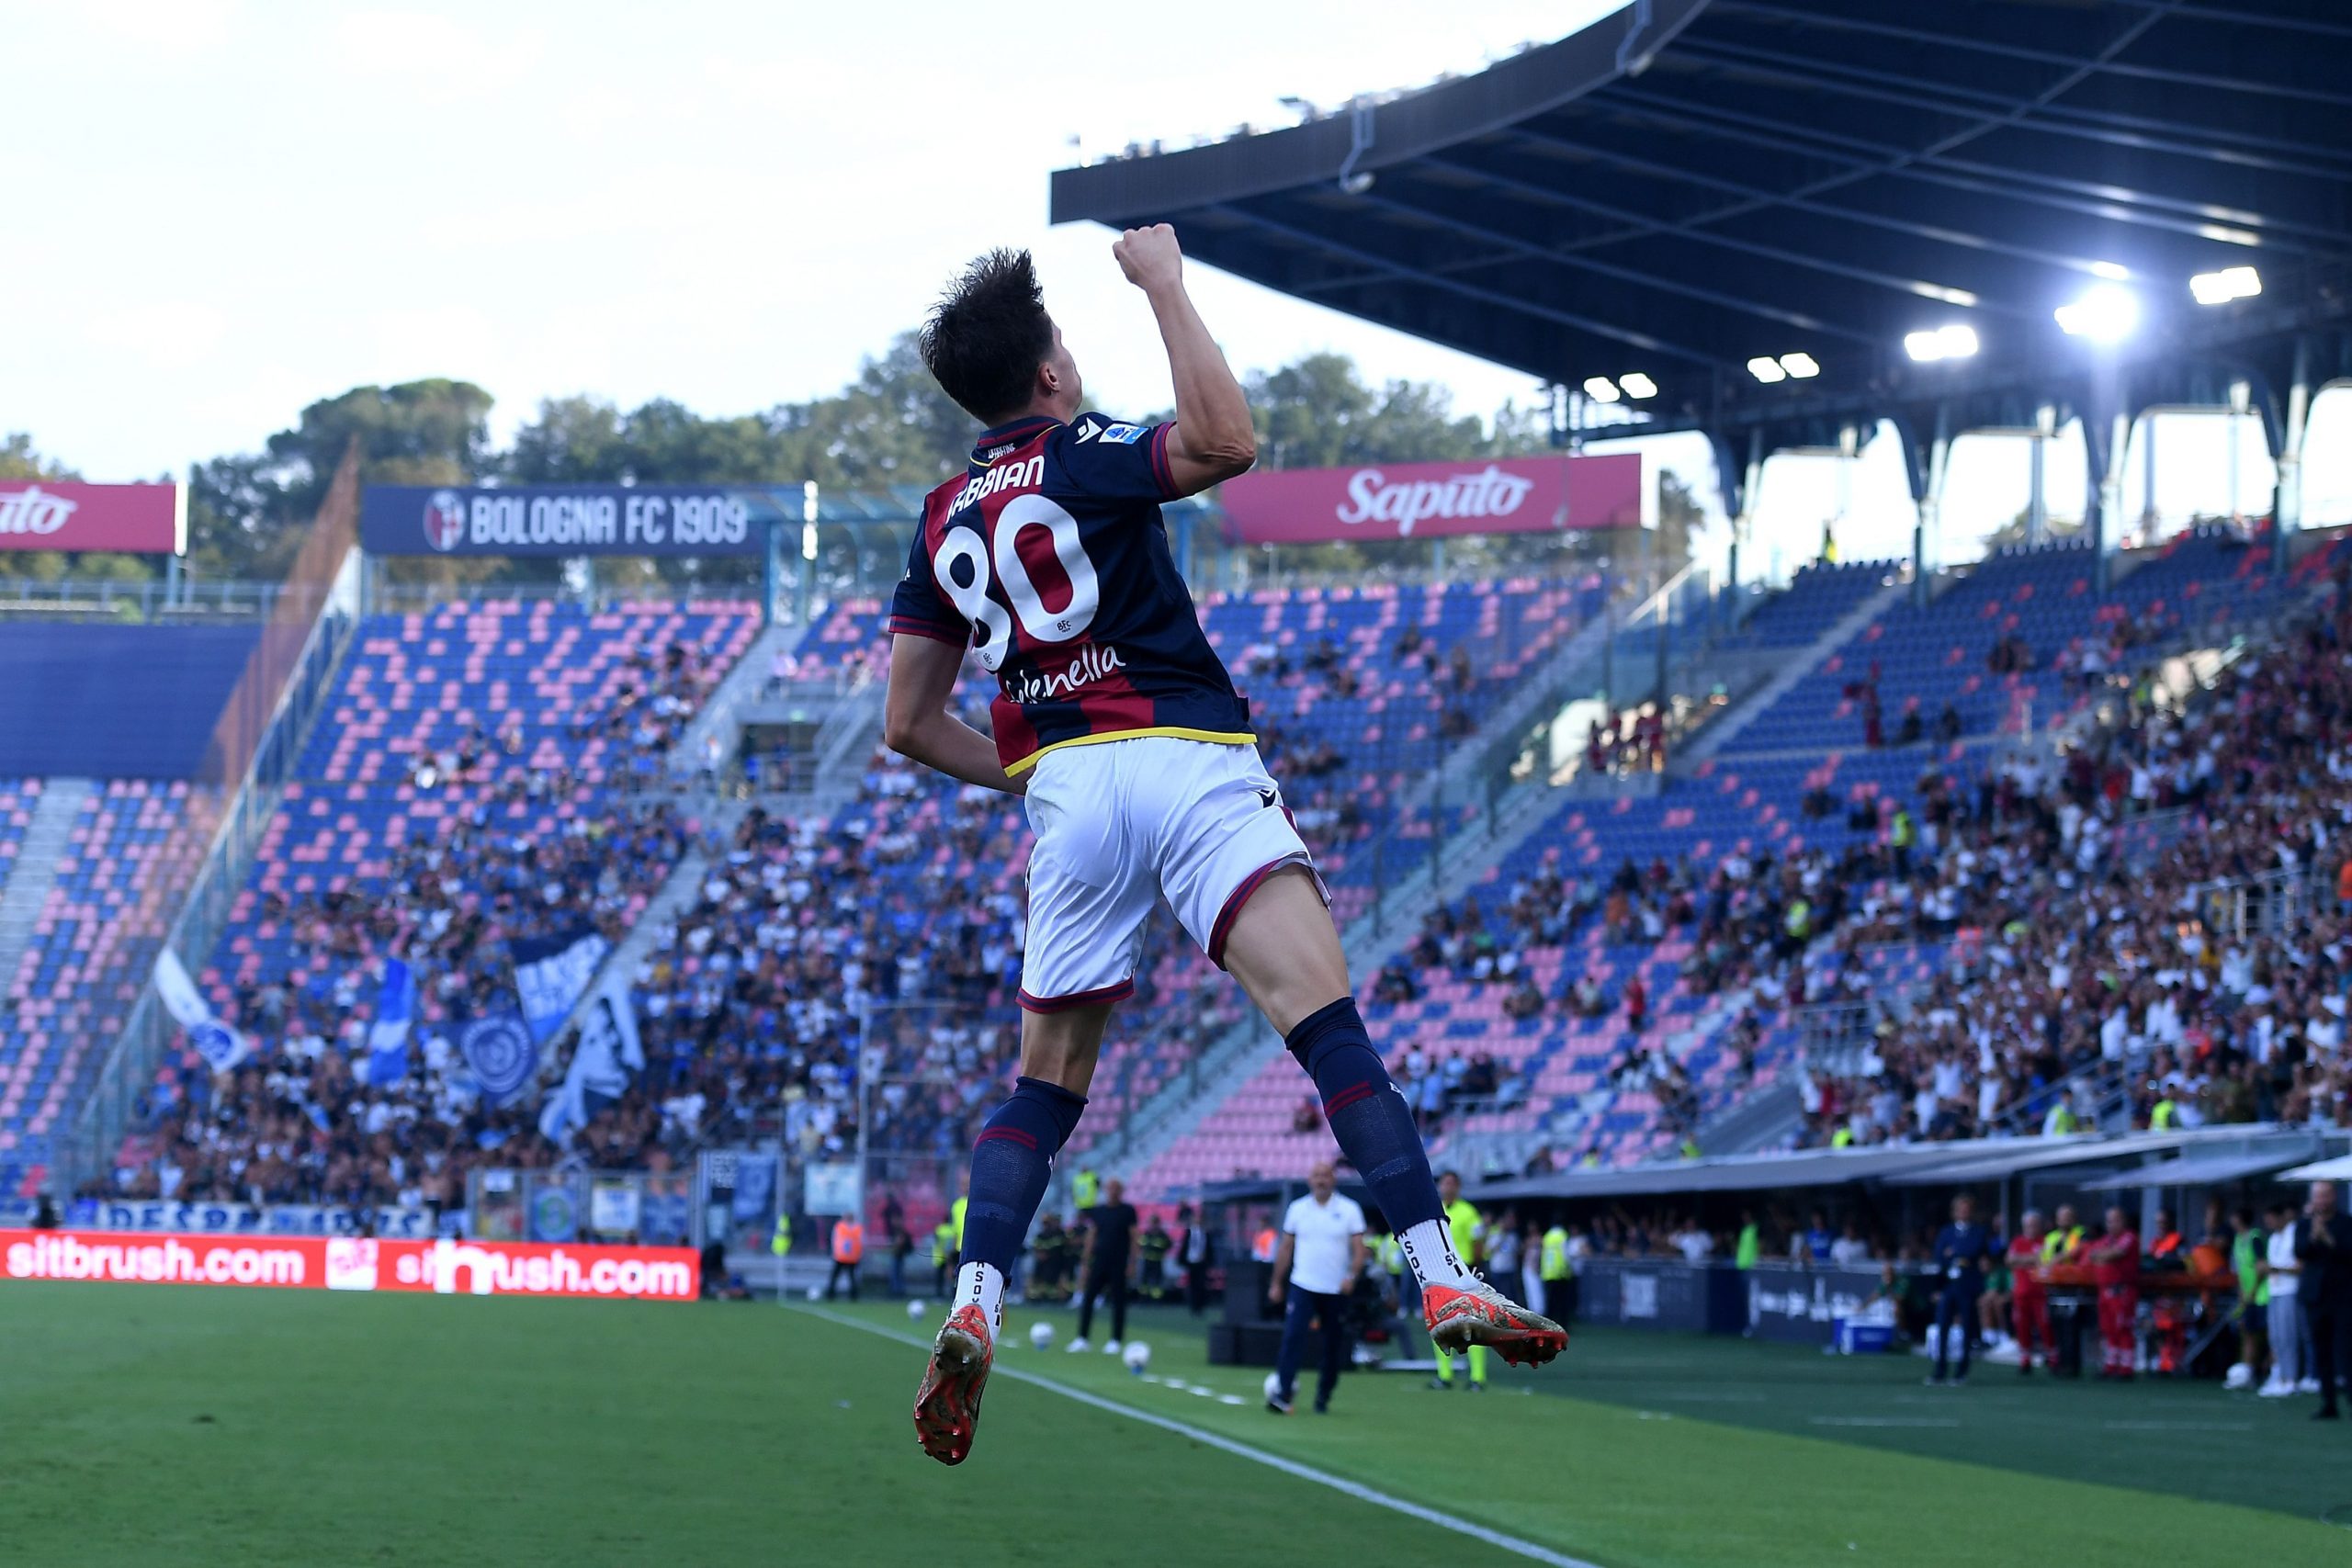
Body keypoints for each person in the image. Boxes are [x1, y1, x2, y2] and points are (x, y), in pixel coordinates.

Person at [898, 230, 1561, 1464]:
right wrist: (1166, 285)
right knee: (1326, 1023)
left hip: (1069, 796)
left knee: (1044, 1088)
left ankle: (977, 1299)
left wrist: (1046, 758)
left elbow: (908, 720)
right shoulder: (1085, 448)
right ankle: (1438, 1271)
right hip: (1188, 757)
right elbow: (1223, 444)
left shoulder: (941, 519)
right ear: (1048, 371)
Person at [1266, 1161, 1367, 1415]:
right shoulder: (1298, 1209)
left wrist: (1351, 1276)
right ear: (1309, 1180)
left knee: (1332, 1344)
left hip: (1335, 1288)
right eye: (1316, 1176)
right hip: (1303, 1284)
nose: (1321, 1180)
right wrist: (1277, 1282)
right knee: (1292, 1338)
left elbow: (1359, 1250)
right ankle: (1283, 1393)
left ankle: (1323, 1396)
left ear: (1333, 1180)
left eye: (1325, 1175)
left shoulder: (1349, 1210)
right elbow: (1286, 1247)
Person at [1430, 1172, 1494, 1392]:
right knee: (1439, 1324)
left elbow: (1477, 1243)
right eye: (1444, 1183)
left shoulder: (1469, 1213)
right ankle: (1444, 1375)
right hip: (1438, 1273)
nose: (1447, 1187)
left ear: (1457, 1187)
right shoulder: (1433, 1208)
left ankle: (1478, 1377)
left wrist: (1475, 1269)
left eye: (1451, 1183)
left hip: (1464, 1271)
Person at [2294, 1180, 2352, 1418]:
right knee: (2321, 1351)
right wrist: (2314, 1237)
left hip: (2343, 1297)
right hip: (2315, 1297)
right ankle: (2328, 1402)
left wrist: (2328, 1239)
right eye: (2318, 1196)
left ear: (2333, 1197)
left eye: (2326, 1195)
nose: (2322, 1201)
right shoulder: (2304, 1225)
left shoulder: (2346, 1223)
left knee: (2345, 1351)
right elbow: (2299, 1252)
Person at [1927, 1195, 1996, 1385]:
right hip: (1949, 1285)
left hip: (1967, 1286)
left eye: (1967, 1209)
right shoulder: (1947, 1232)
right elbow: (1940, 1256)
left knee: (1967, 1328)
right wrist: (1957, 1256)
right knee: (1943, 1326)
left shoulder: (1978, 1232)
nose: (1963, 1212)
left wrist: (1955, 1253)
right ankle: (1939, 1370)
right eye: (1960, 1209)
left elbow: (1974, 1250)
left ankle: (1960, 1371)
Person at [1070, 1178, 1137, 1355]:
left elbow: (1133, 1237)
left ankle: (1115, 1340)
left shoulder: (1127, 1211)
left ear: (1121, 1191)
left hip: (1119, 1262)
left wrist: (1133, 1262)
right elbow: (1092, 1236)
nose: (1113, 1191)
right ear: (1106, 1190)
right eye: (1110, 1188)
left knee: (1118, 1301)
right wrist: (1085, 1262)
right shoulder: (1099, 1211)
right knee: (1089, 1298)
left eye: (1116, 1188)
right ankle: (1082, 1338)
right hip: (1099, 1262)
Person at [2086, 1206, 2141, 1380]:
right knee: (2108, 1328)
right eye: (2109, 1220)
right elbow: (2092, 1254)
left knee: (2123, 1327)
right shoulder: (2106, 1240)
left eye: (2115, 1220)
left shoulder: (2129, 1237)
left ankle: (2126, 1366)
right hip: (2105, 1291)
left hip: (2121, 1290)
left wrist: (2103, 1255)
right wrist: (2103, 1255)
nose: (2111, 1224)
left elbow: (2116, 1254)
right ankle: (2111, 1364)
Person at [2261, 1201, 2305, 1397]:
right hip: (2275, 1290)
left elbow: (2298, 1266)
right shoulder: (2273, 1239)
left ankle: (2291, 1379)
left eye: (2271, 1218)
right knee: (2276, 1337)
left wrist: (2274, 1269)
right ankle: (2279, 1376)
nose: (2269, 1222)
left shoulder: (2293, 1233)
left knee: (2289, 1336)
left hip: (2290, 1290)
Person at [2007, 1211, 2052, 1374]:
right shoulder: (2017, 1241)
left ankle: (2052, 1356)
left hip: (2040, 1292)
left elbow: (2045, 1259)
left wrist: (2022, 1259)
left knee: (2045, 1324)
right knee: (2022, 1325)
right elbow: (2010, 1260)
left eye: (2034, 1224)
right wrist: (2032, 1258)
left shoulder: (2045, 1241)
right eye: (2028, 1224)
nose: (2031, 1228)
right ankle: (2025, 1358)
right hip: (2021, 1292)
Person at [1174, 1201, 1214, 1316]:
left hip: (1201, 1262)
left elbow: (1209, 1248)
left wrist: (1209, 1260)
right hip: (1191, 1262)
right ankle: (1193, 1307)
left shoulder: (1205, 1233)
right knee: (1192, 1285)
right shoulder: (1188, 1232)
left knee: (1201, 1285)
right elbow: (1184, 1247)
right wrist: (1182, 1260)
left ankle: (1200, 1307)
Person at [1540, 1213, 1577, 1325]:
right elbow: (1566, 1254)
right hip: (1561, 1273)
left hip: (1548, 1273)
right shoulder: (1563, 1235)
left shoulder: (1547, 1236)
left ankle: (1547, 1325)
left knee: (1550, 1302)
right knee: (1562, 1303)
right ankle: (1563, 1325)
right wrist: (1569, 1268)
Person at [826, 1214, 865, 1302]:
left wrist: (834, 1252)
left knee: (837, 1277)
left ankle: (831, 1295)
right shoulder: (857, 1228)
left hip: (842, 1257)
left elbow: (834, 1239)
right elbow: (862, 1242)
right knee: (851, 1277)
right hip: (850, 1257)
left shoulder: (840, 1226)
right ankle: (853, 1296)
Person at [1138, 1212, 1173, 1300]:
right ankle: (1143, 1298)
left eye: (1154, 1222)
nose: (1153, 1225)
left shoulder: (1163, 1235)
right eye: (1151, 1222)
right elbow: (1140, 1244)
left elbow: (1169, 1245)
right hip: (1147, 1260)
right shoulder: (1146, 1234)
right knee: (1144, 1281)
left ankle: (1157, 1299)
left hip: (1157, 1261)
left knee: (1157, 1282)